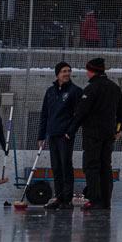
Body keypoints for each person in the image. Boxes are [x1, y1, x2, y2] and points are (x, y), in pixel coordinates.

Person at [69, 57, 122, 211]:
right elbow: (121, 112)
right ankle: (106, 201)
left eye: (88, 70)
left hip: (93, 134)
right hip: (109, 135)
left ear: (92, 71)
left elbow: (81, 113)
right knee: (106, 166)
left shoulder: (91, 89)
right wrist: (119, 129)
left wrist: (70, 131)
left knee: (91, 166)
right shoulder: (114, 88)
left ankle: (94, 199)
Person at [37, 61, 83, 209]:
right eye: (64, 71)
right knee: (56, 167)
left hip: (65, 135)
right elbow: (44, 114)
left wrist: (70, 132)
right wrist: (41, 135)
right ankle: (58, 197)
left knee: (66, 166)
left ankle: (67, 199)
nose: (67, 73)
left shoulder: (75, 91)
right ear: (57, 74)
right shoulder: (50, 92)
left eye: (69, 71)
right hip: (53, 134)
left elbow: (78, 115)